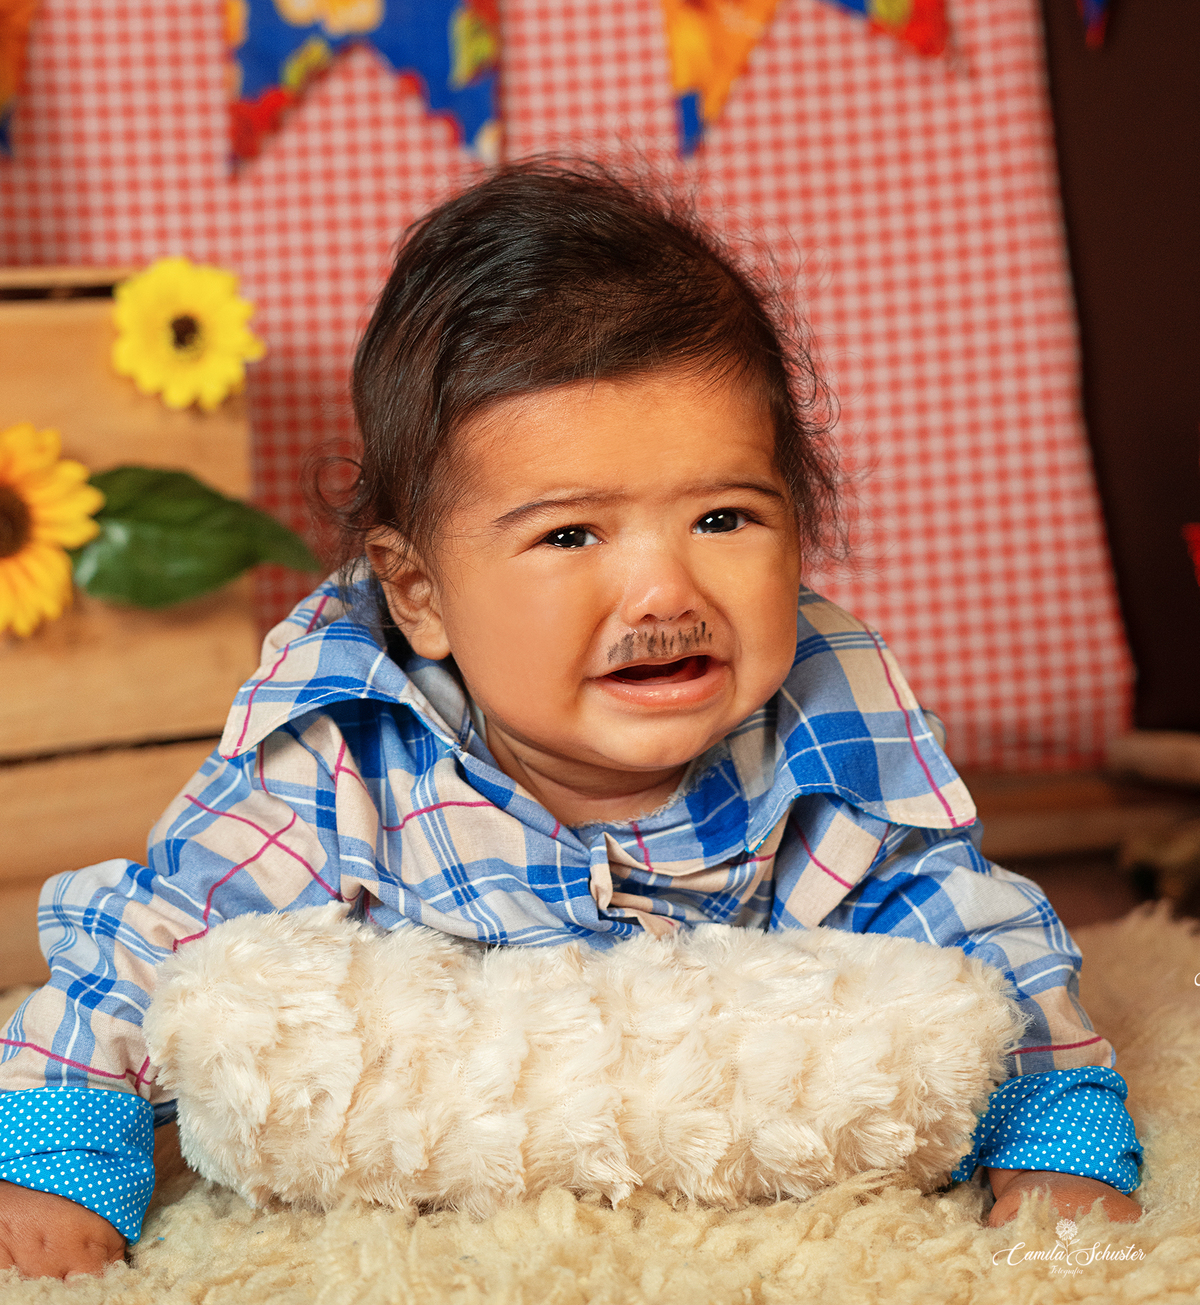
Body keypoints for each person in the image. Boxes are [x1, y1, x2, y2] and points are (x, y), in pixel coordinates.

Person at [0, 160, 1142, 1280]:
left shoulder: (820, 736)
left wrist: (1053, 1134)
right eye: (570, 535)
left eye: (723, 517)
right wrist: (62, 1164)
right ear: (420, 592)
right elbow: (150, 943)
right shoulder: (347, 752)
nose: (664, 591)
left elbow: (977, 943)